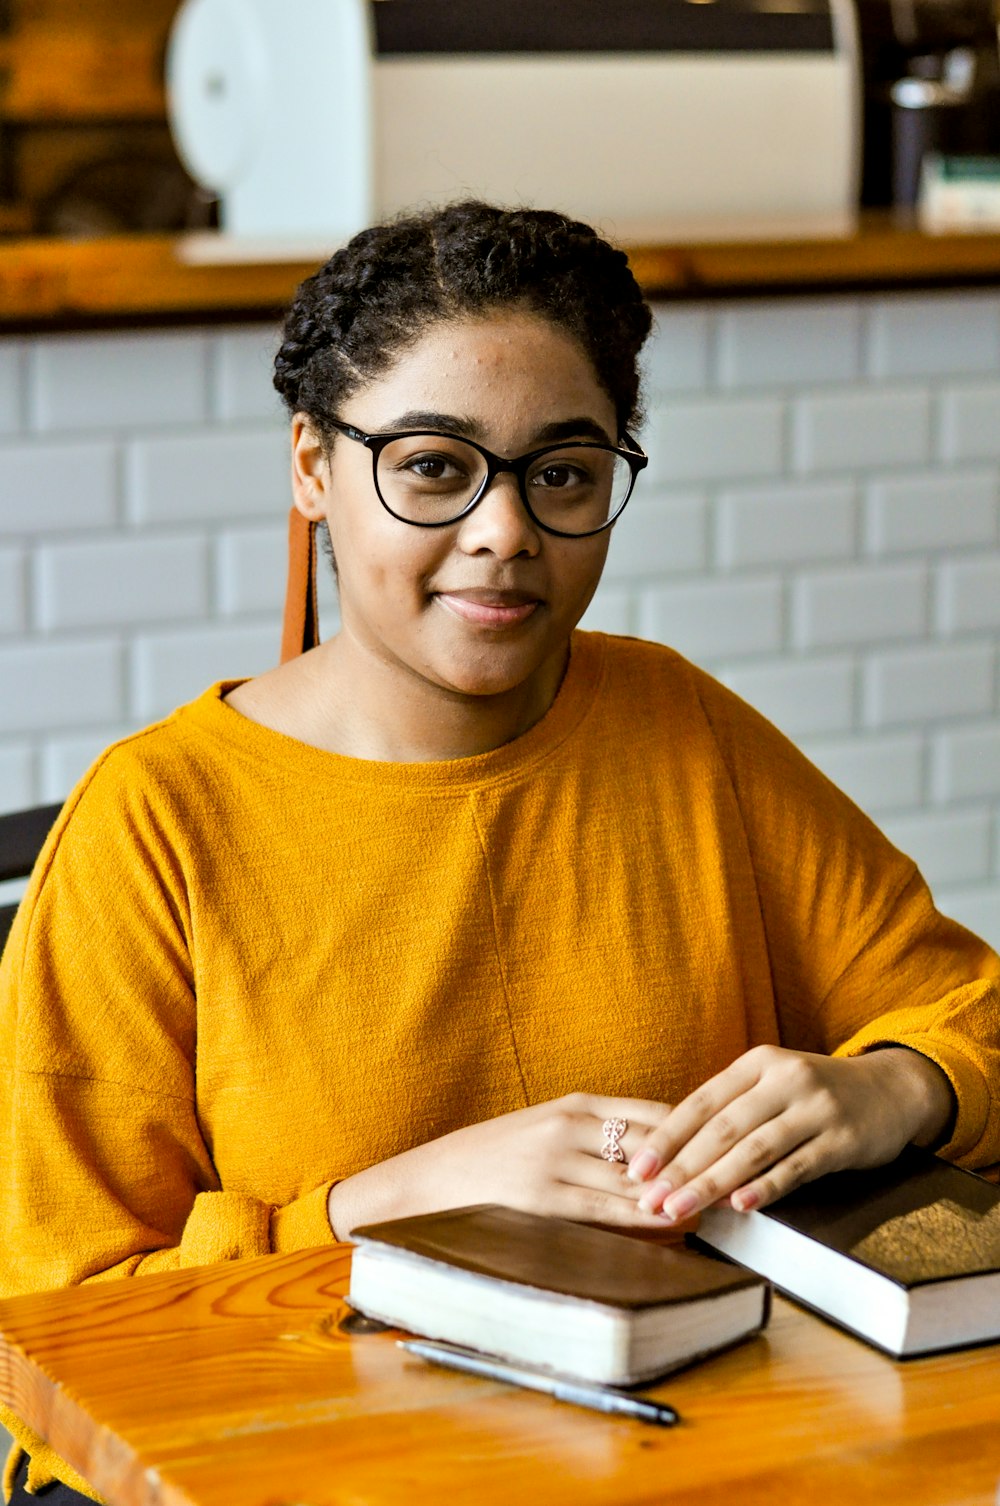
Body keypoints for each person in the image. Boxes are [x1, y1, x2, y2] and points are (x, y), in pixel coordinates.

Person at [1, 200, 998, 1501]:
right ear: (313, 465)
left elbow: (969, 1013)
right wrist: (389, 1205)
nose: (506, 531)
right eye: (432, 466)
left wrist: (896, 1088)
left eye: (564, 472)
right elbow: (52, 1325)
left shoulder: (685, 731)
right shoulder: (154, 824)